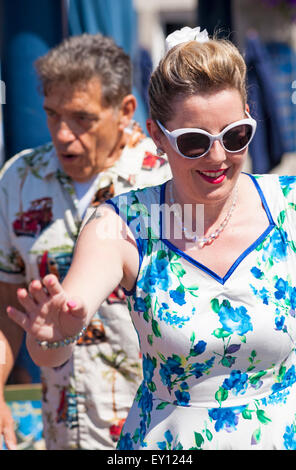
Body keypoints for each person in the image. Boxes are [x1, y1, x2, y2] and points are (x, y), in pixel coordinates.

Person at [6, 25, 296, 451]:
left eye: (236, 135)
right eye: (195, 142)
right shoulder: (122, 222)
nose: (218, 157)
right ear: (159, 136)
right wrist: (56, 332)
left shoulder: (290, 206)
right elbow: (52, 344)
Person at [0, 33, 171, 450]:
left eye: (82, 118)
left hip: (154, 434)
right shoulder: (19, 179)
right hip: (61, 431)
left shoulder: (166, 180)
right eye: (52, 114)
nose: (62, 133)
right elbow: (6, 303)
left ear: (125, 110)